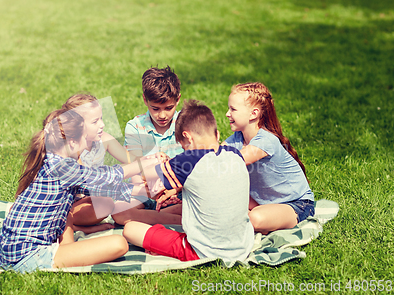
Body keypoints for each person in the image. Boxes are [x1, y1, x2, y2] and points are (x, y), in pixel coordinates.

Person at [0, 108, 159, 273]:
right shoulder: (62, 168)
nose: (87, 139)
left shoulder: (55, 161)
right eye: (84, 136)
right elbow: (105, 176)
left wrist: (145, 191)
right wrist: (142, 164)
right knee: (119, 244)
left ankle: (69, 249)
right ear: (72, 142)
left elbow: (101, 188)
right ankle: (68, 252)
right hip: (27, 257)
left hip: (15, 251)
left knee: (68, 210)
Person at [123, 100, 254, 263]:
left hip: (203, 251)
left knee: (130, 229)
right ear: (217, 134)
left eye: (183, 147)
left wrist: (156, 159)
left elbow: (146, 174)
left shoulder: (189, 160)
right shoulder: (236, 155)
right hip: (243, 246)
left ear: (187, 137)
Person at [223, 82, 315, 234]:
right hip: (260, 203)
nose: (227, 113)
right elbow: (211, 160)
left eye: (233, 109)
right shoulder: (236, 139)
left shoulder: (266, 141)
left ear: (254, 114)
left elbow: (231, 162)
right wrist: (176, 187)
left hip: (295, 204)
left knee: (254, 219)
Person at [112, 66, 184, 225]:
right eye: (155, 109)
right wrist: (158, 193)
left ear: (177, 99)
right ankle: (167, 217)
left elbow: (194, 168)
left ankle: (157, 217)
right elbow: (137, 172)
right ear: (145, 100)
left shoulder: (186, 123)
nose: (163, 115)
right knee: (118, 210)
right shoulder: (135, 127)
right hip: (144, 192)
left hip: (179, 191)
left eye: (169, 108)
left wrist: (174, 190)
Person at [61, 94, 139, 233]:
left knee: (113, 201)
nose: (102, 125)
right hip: (67, 206)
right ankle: (74, 227)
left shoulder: (103, 139)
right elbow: (88, 185)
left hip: (90, 198)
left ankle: (80, 226)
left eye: (101, 118)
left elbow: (131, 160)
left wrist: (155, 161)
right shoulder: (72, 149)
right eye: (95, 121)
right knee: (106, 203)